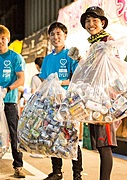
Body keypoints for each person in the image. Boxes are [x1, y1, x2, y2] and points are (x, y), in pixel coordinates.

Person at [77, 6, 117, 180]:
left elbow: (111, 69)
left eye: (94, 20)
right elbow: (92, 70)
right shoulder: (93, 43)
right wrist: (80, 60)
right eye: (88, 20)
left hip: (104, 100)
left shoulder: (108, 40)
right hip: (94, 99)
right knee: (100, 145)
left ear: (102, 22)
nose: (90, 24)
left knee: (105, 144)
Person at [39, 22, 83, 180]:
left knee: (72, 137)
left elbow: (78, 76)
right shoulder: (47, 59)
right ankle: (56, 171)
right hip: (51, 104)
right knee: (53, 137)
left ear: (65, 36)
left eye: (59, 34)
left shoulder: (71, 54)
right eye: (52, 34)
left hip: (68, 103)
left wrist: (62, 83)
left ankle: (77, 174)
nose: (55, 37)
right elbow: (44, 80)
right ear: (49, 37)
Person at [0, 24, 26, 179]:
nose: (0, 41)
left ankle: (19, 166)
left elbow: (21, 79)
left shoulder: (15, 57)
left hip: (9, 102)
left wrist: (8, 89)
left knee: (14, 135)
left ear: (8, 39)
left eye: (3, 38)